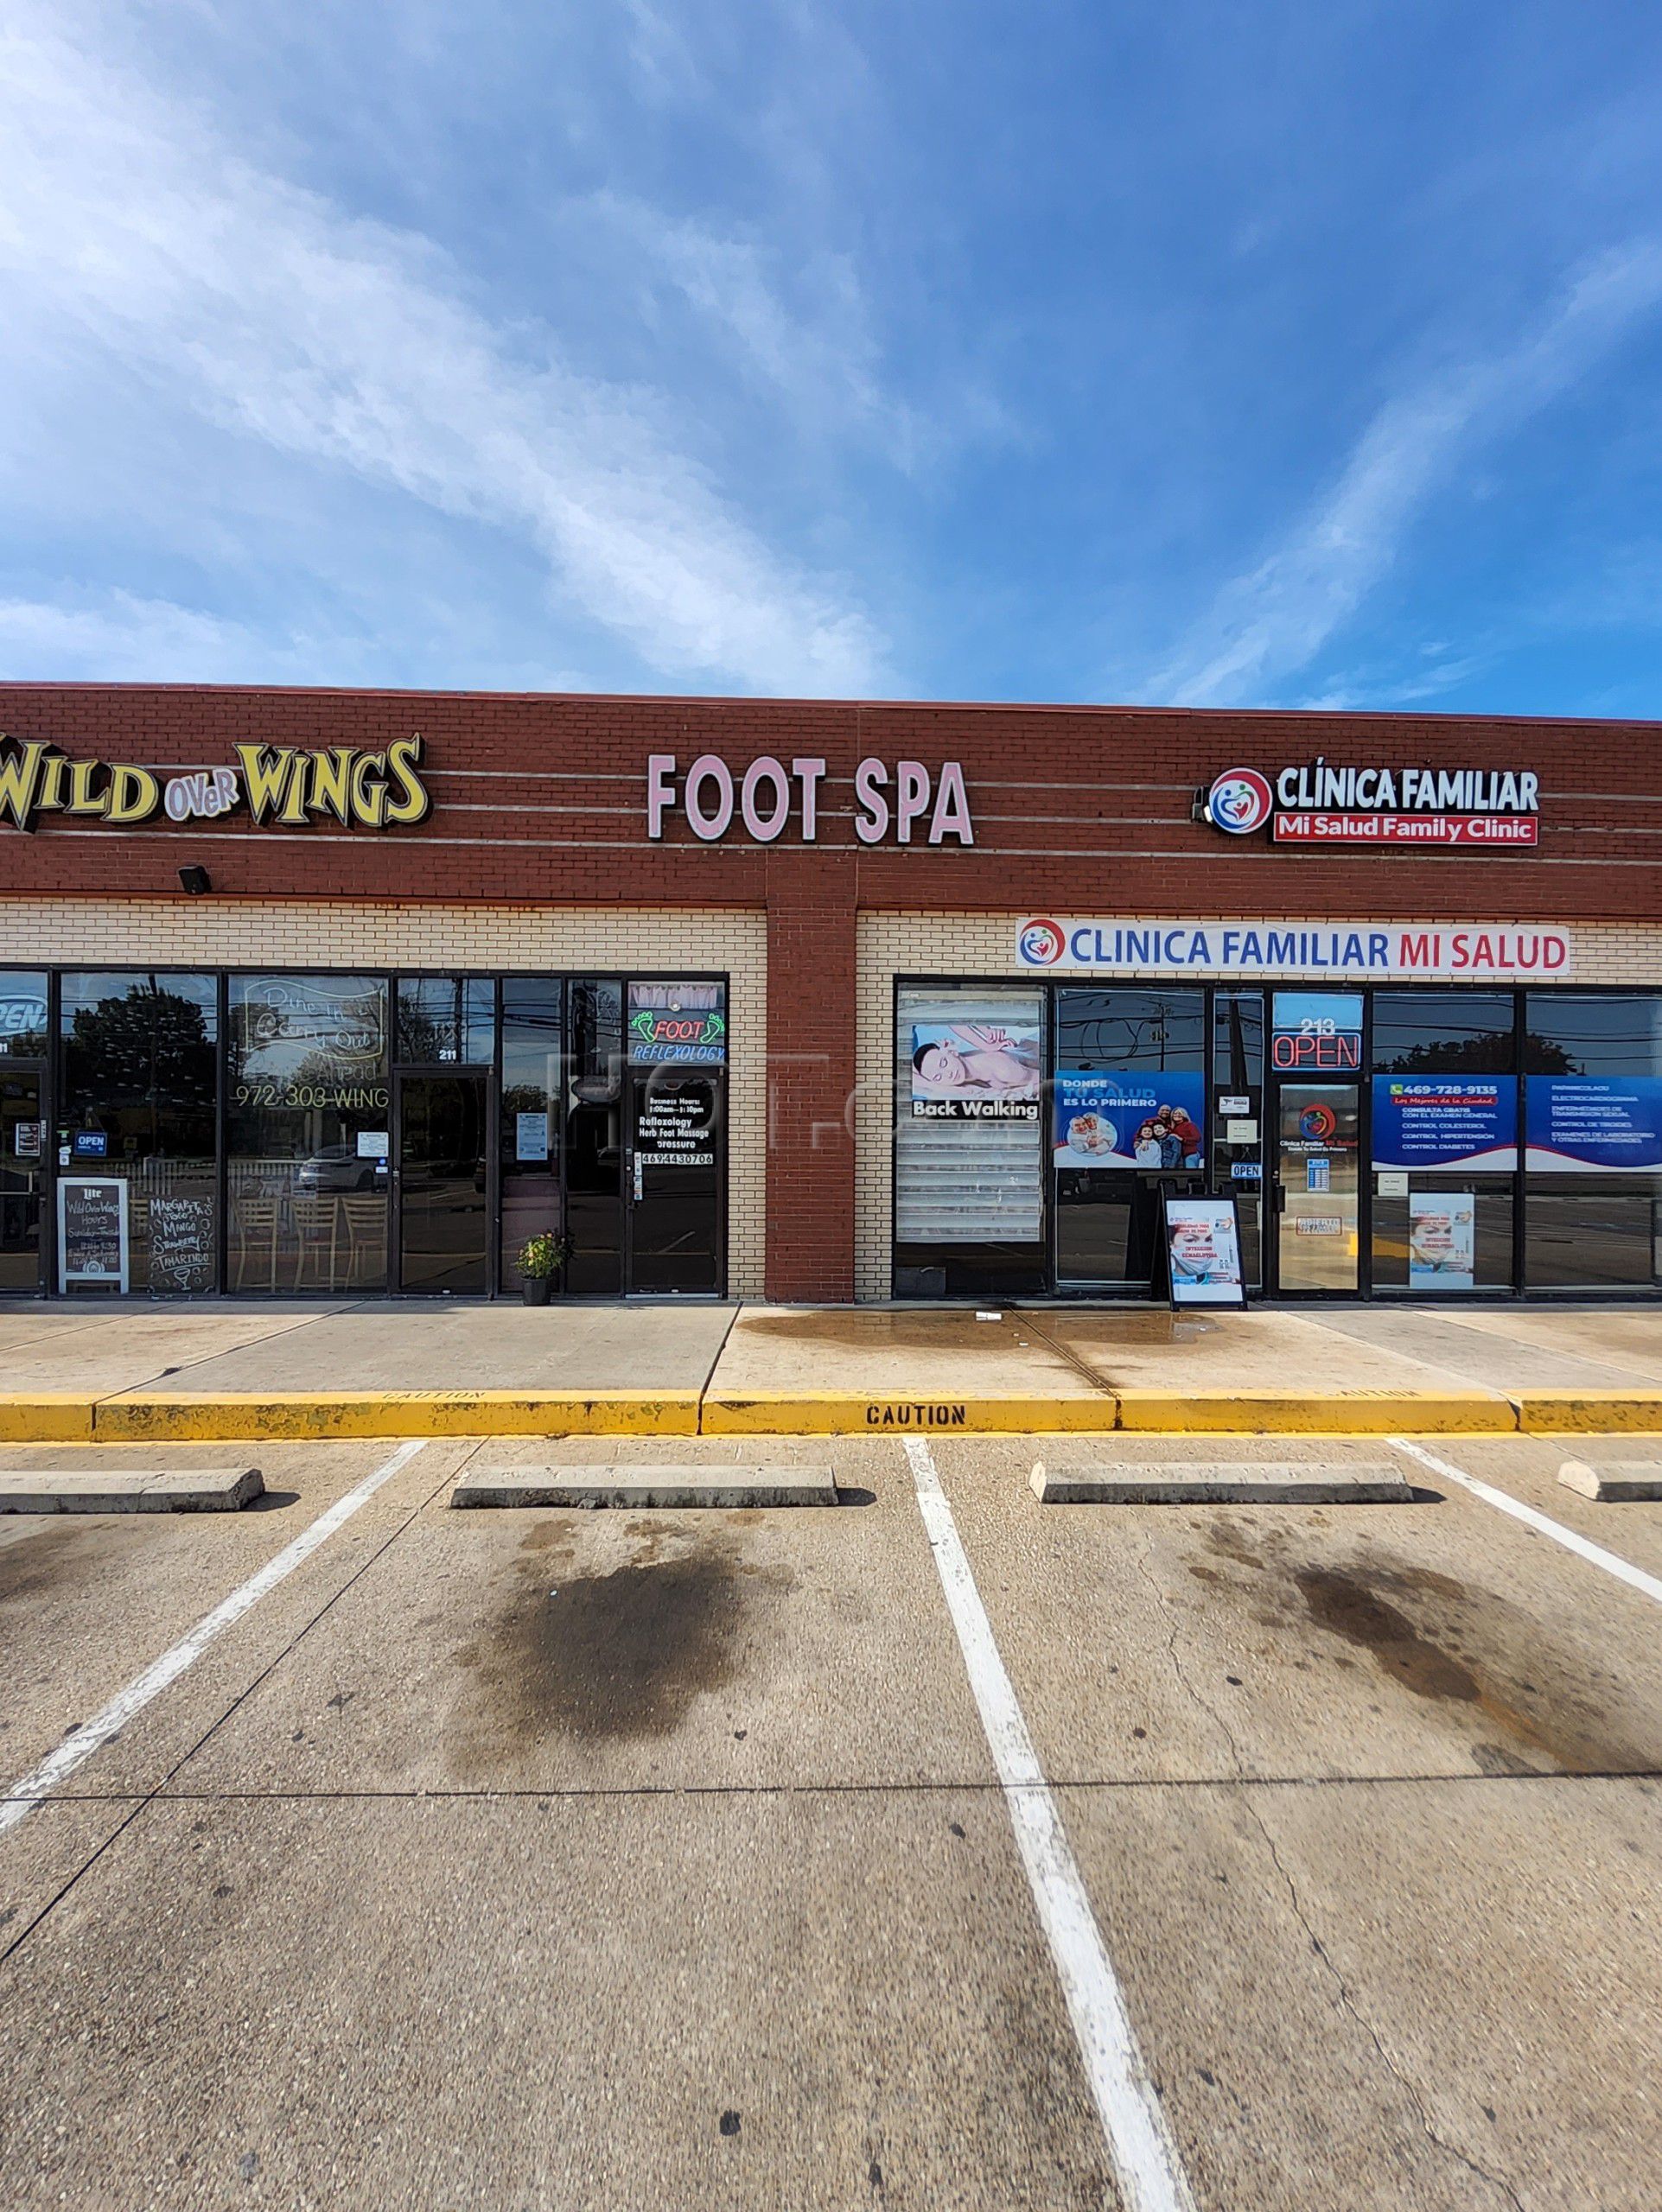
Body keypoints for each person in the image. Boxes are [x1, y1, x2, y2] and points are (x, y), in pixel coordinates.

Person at [913, 1024, 1041, 1098]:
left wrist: (1009, 1093)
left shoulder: (1003, 1070)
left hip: (1044, 1052)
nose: (948, 1074)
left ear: (953, 1052)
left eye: (944, 1063)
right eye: (938, 1077)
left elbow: (1049, 1081)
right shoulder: (967, 1071)